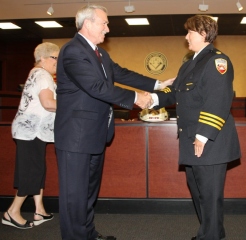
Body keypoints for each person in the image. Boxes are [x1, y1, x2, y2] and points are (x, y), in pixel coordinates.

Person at [54, 4, 174, 240]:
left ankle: (87, 233)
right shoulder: (72, 51)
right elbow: (96, 87)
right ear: (87, 24)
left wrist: (157, 85)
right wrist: (136, 98)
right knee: (74, 196)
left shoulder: (99, 53)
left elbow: (121, 73)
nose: (107, 29)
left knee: (88, 192)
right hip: (76, 136)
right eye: (104, 23)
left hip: (95, 133)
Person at [150, 15, 241, 240]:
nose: (186, 36)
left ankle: (209, 236)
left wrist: (202, 136)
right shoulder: (189, 64)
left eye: (189, 32)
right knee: (199, 192)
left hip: (209, 140)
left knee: (209, 196)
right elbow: (175, 92)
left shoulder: (217, 61)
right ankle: (211, 233)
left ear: (202, 33)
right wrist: (150, 99)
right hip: (192, 139)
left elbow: (219, 99)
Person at [1, 42, 59, 229]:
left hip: (32, 131)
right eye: (55, 58)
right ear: (43, 58)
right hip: (31, 131)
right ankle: (12, 212)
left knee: (37, 169)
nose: (58, 62)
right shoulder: (43, 75)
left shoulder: (36, 72)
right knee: (31, 172)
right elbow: (48, 103)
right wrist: (72, 106)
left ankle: (39, 210)